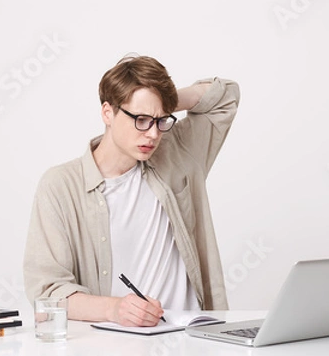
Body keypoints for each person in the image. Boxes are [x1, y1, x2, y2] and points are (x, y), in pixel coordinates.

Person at [23, 54, 240, 327]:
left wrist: (164, 100)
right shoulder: (60, 186)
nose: (152, 134)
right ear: (107, 112)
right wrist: (114, 309)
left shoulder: (178, 152)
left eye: (161, 120)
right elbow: (47, 292)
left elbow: (225, 97)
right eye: (141, 119)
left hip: (195, 338)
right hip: (119, 344)